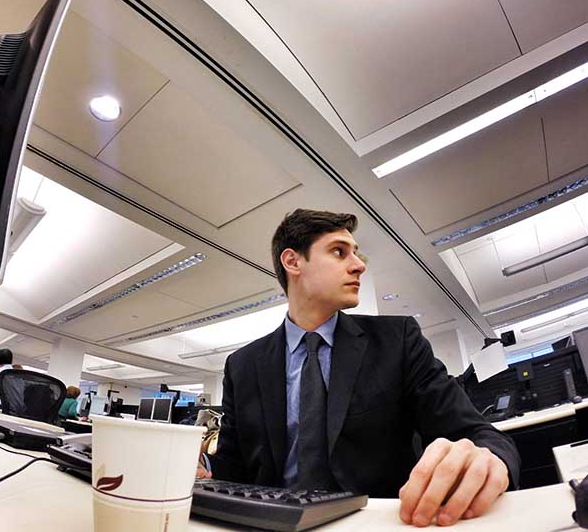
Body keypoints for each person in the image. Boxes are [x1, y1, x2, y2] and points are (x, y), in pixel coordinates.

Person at [200, 209, 520, 528]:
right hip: (273, 524)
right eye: (339, 252)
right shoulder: (242, 366)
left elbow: (477, 433)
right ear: (293, 262)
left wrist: (488, 458)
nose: (359, 265)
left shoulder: (398, 341)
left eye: (356, 253)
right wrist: (201, 467)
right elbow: (234, 466)